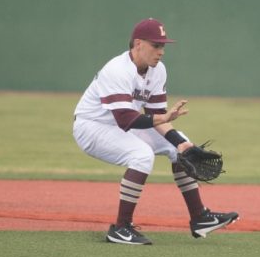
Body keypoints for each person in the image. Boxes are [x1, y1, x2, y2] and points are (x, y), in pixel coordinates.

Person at [72, 18, 238, 245]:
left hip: (122, 124)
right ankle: (120, 228)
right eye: (156, 45)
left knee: (181, 145)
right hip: (91, 127)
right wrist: (163, 117)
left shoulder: (157, 70)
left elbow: (157, 117)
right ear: (138, 43)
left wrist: (179, 143)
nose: (161, 51)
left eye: (163, 46)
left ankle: (200, 217)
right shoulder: (117, 70)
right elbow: (126, 119)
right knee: (141, 155)